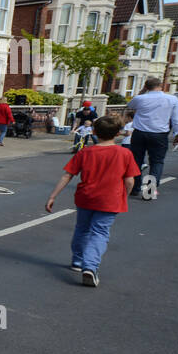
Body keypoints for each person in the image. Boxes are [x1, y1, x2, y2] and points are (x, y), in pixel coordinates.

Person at [44, 115, 140, 287]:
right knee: (100, 233)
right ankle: (90, 266)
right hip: (110, 199)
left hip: (86, 197)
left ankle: (78, 261)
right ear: (118, 133)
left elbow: (68, 175)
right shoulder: (125, 153)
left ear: (94, 132)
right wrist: (125, 195)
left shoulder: (85, 152)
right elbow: (130, 180)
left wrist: (53, 196)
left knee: (82, 229)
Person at [124, 77, 178, 200]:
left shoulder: (140, 98)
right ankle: (149, 191)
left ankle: (135, 188)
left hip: (140, 133)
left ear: (146, 87)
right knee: (156, 162)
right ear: (161, 86)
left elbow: (130, 105)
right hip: (159, 134)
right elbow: (176, 119)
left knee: (136, 161)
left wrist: (142, 91)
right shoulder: (172, 99)